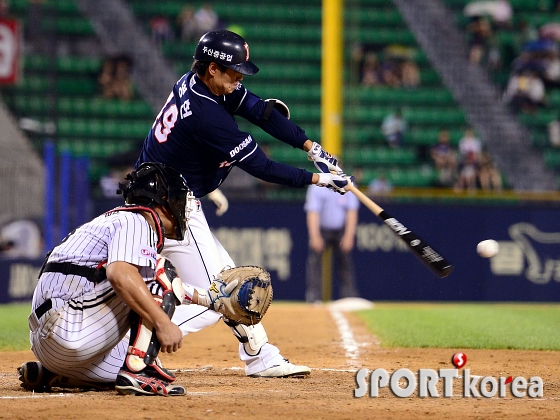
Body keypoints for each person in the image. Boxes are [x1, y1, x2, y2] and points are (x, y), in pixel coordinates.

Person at [135, 30, 352, 378]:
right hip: (167, 207)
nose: (239, 79)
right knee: (215, 301)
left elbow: (263, 113)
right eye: (233, 72)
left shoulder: (201, 84)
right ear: (211, 69)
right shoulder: (207, 114)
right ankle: (131, 346)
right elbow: (263, 168)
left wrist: (312, 148)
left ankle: (260, 355)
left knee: (231, 282)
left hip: (159, 195)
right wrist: (321, 180)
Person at [17, 163, 258, 396]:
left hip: (53, 342)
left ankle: (58, 374)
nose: (181, 207)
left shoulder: (114, 220)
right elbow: (121, 275)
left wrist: (210, 300)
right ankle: (137, 371)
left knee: (138, 340)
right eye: (177, 200)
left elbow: (138, 282)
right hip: (69, 329)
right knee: (161, 274)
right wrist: (162, 323)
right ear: (163, 203)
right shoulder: (138, 220)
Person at [304, 184, 360, 303]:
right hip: (322, 229)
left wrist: (349, 236)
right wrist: (314, 236)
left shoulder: (347, 184)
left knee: (345, 263)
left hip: (341, 230)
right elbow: (313, 212)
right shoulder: (317, 187)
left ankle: (349, 296)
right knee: (315, 264)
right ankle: (314, 297)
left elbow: (352, 211)